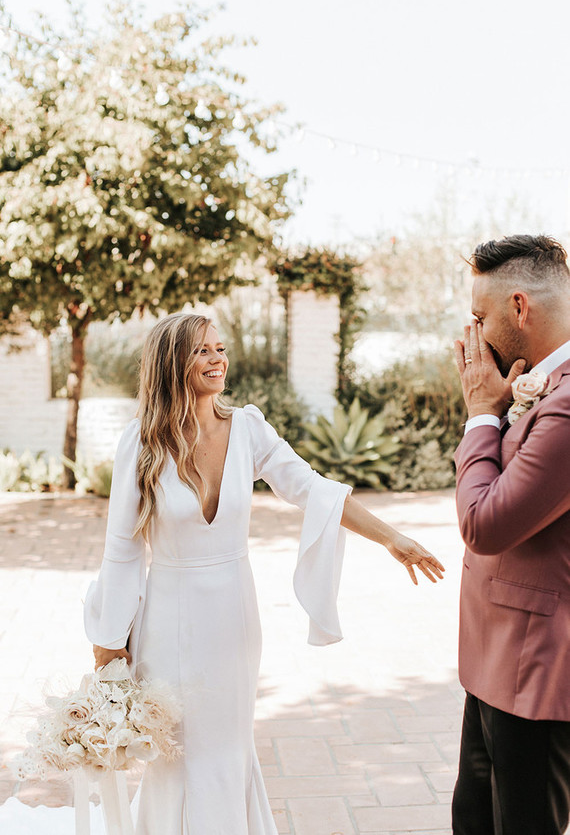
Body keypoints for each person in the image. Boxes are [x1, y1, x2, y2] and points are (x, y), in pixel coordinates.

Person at [84, 311, 445, 835]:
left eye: (220, 348)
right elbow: (121, 551)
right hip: (166, 618)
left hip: (233, 616)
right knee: (175, 748)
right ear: (171, 363)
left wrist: (393, 538)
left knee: (227, 744)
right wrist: (108, 645)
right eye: (202, 350)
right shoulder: (140, 442)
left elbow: (313, 488)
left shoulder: (248, 428)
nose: (217, 359)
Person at [452, 234, 570, 835]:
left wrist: (480, 412)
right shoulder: (536, 385)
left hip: (536, 672)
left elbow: (485, 524)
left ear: (519, 308)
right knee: (473, 821)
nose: (472, 333)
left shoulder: (568, 405)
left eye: (481, 316)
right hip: (495, 658)